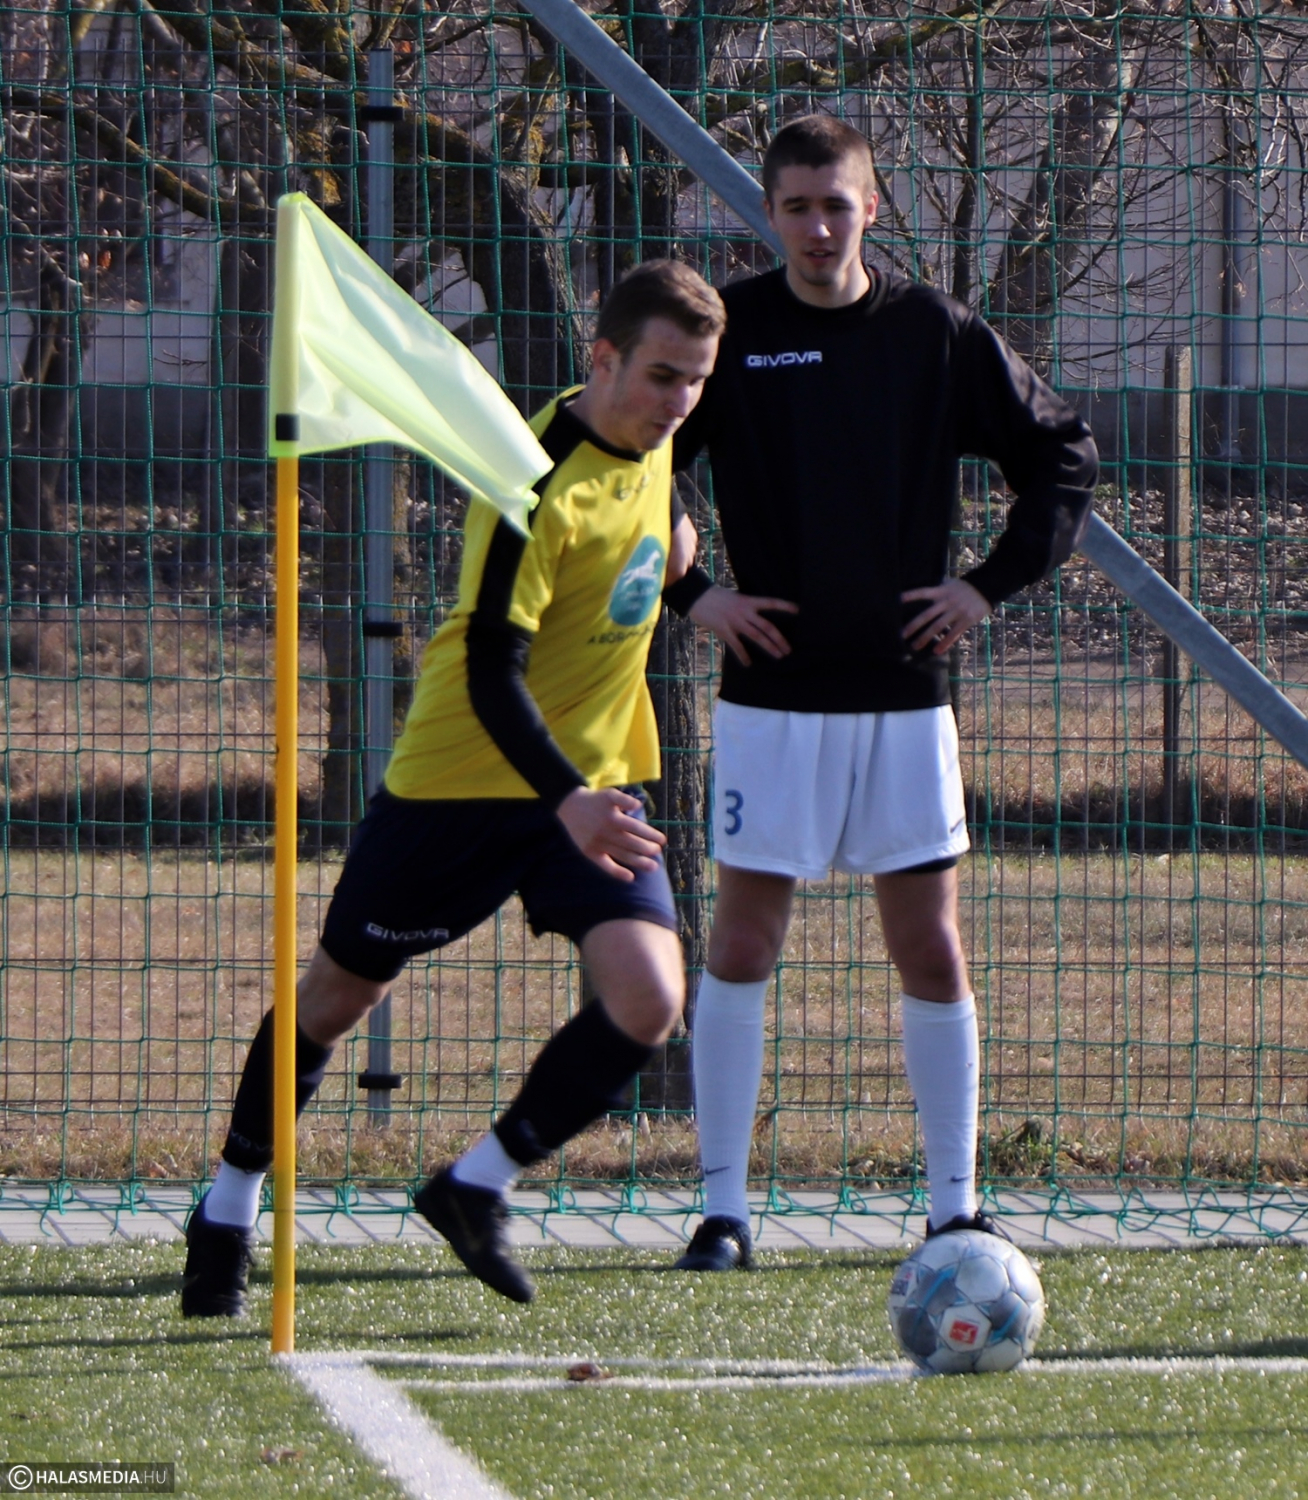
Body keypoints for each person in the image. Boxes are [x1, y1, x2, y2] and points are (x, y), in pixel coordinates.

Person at [181, 259, 728, 1314]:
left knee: (651, 998)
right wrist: (567, 797)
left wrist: (699, 588)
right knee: (338, 999)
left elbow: (662, 536)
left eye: (696, 380)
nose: (680, 401)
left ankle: (473, 1187)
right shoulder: (533, 486)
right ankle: (229, 1206)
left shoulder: (655, 436)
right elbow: (489, 667)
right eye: (664, 376)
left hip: (590, 787)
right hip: (462, 783)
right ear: (602, 359)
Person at [668, 115, 1099, 1271]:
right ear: (771, 214)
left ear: (872, 207)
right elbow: (632, 459)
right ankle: (723, 1213)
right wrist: (696, 594)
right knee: (742, 941)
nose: (818, 227)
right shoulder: (734, 332)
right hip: (772, 695)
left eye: (837, 205)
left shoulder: (933, 333)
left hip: (906, 694)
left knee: (931, 949)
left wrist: (985, 586)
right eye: (797, 207)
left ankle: (955, 1207)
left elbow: (1064, 453)